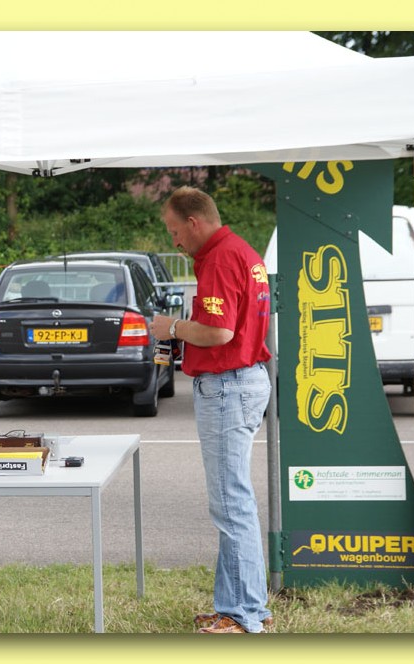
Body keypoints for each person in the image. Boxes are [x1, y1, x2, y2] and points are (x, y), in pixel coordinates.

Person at [151, 186, 273, 634]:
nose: (174, 241)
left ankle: (243, 614)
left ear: (194, 222)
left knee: (230, 504)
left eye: (175, 231)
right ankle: (240, 605)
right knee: (234, 500)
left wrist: (172, 327)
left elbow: (219, 333)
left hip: (227, 385)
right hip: (244, 380)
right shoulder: (243, 253)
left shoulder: (221, 259)